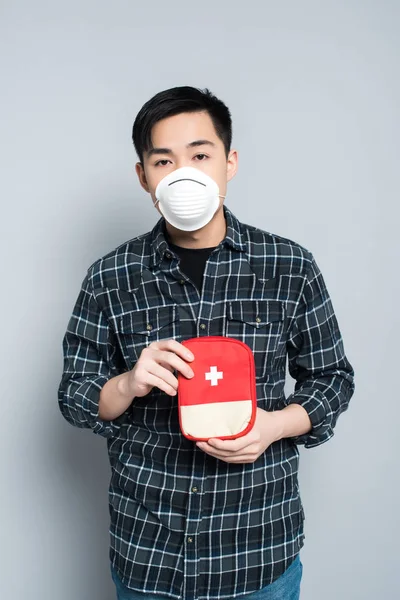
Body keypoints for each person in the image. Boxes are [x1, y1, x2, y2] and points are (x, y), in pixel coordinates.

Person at [58, 86, 355, 600]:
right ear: (144, 176)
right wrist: (127, 384)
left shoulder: (290, 267)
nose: (184, 173)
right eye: (164, 160)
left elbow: (333, 380)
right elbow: (74, 397)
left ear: (229, 162)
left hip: (257, 547)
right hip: (149, 553)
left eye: (200, 155)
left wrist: (274, 425)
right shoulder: (111, 276)